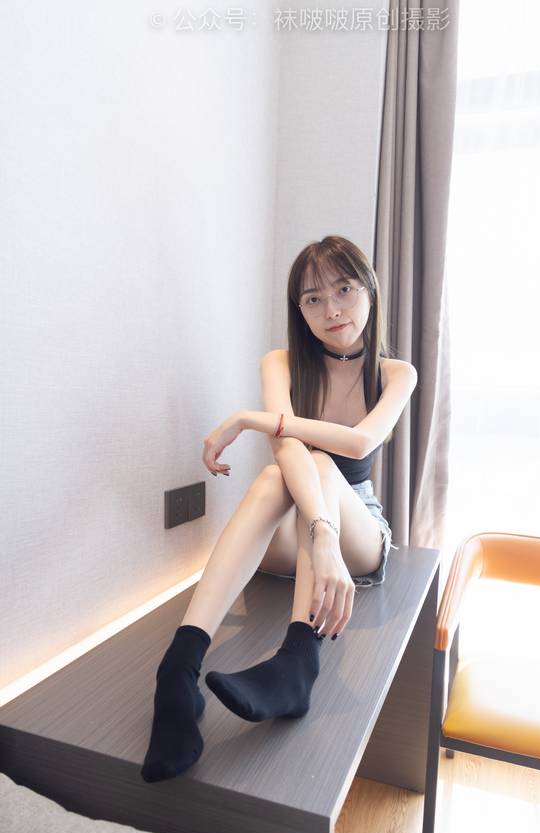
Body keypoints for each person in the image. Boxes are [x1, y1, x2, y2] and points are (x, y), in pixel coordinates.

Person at [141, 235, 418, 782]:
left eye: (344, 290)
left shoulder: (395, 372)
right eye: (313, 298)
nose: (331, 309)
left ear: (370, 291)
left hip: (357, 531)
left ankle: (297, 658)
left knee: (321, 462)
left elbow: (360, 442)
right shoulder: (282, 362)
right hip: (303, 532)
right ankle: (178, 669)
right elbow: (286, 449)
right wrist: (318, 530)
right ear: (299, 310)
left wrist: (251, 418)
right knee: (280, 471)